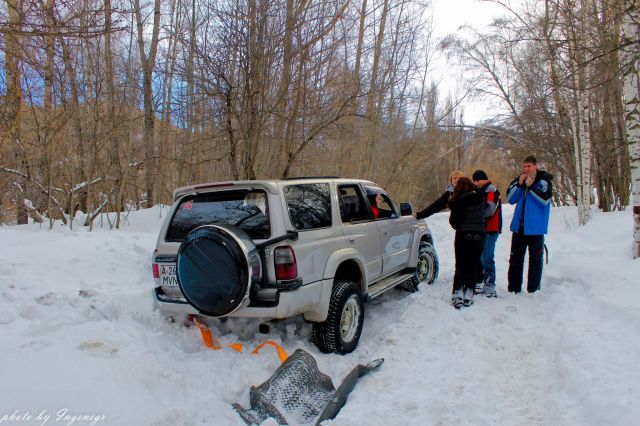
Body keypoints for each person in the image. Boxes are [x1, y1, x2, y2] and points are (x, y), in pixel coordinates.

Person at [506, 155, 553, 293]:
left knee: (536, 260)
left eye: (529, 166)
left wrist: (531, 186)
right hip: (519, 227)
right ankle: (513, 289)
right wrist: (520, 186)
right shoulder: (519, 179)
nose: (526, 169)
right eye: (524, 166)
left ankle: (533, 290)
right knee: (515, 259)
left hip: (536, 229)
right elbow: (510, 199)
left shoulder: (544, 181)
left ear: (536, 166)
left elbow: (545, 201)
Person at [447, 177, 486, 308]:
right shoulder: (480, 198)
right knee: (472, 265)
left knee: (461, 265)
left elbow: (454, 222)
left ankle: (457, 292)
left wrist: (461, 226)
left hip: (464, 235)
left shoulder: (457, 201)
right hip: (479, 235)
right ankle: (469, 292)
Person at [472, 170, 502, 297]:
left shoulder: (491, 190)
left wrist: (474, 212)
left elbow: (490, 209)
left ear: (484, 179)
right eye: (474, 181)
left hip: (491, 228)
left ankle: (490, 285)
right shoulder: (477, 191)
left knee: (488, 257)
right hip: (480, 229)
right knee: (480, 257)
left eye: (478, 180)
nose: (476, 183)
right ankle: (483, 281)